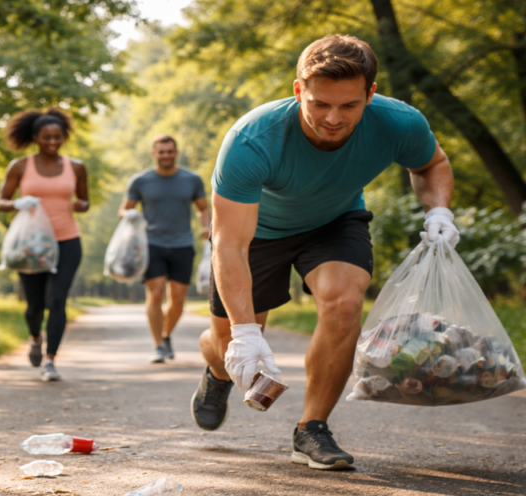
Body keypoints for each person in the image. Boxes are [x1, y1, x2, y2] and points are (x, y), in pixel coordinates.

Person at [194, 35, 458, 470]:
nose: (333, 118)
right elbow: (230, 243)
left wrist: (440, 212)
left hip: (334, 223)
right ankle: (217, 372)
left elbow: (431, 163)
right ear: (298, 90)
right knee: (226, 341)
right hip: (258, 232)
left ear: (370, 95)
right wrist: (244, 333)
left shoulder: (398, 123)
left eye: (349, 106)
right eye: (319, 104)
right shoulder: (251, 139)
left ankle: (311, 429)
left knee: (344, 302)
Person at [0, 108, 90, 382]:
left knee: (57, 300)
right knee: (35, 306)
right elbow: (0, 202)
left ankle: (51, 360)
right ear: (36, 137)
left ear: (64, 137)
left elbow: (84, 202)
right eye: (46, 137)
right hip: (32, 246)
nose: (52, 142)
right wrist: (17, 203)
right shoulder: (20, 166)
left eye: (57, 137)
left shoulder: (76, 167)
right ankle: (36, 337)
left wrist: (79, 204)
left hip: (67, 240)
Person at [119, 134, 211, 363]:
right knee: (156, 292)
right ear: (154, 153)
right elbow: (124, 209)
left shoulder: (192, 179)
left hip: (183, 243)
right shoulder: (140, 180)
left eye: (170, 151)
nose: (166, 156)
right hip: (151, 244)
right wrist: (129, 214)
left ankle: (166, 335)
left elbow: (203, 208)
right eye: (161, 152)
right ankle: (158, 345)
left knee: (178, 299)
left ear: (176, 153)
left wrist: (208, 227)